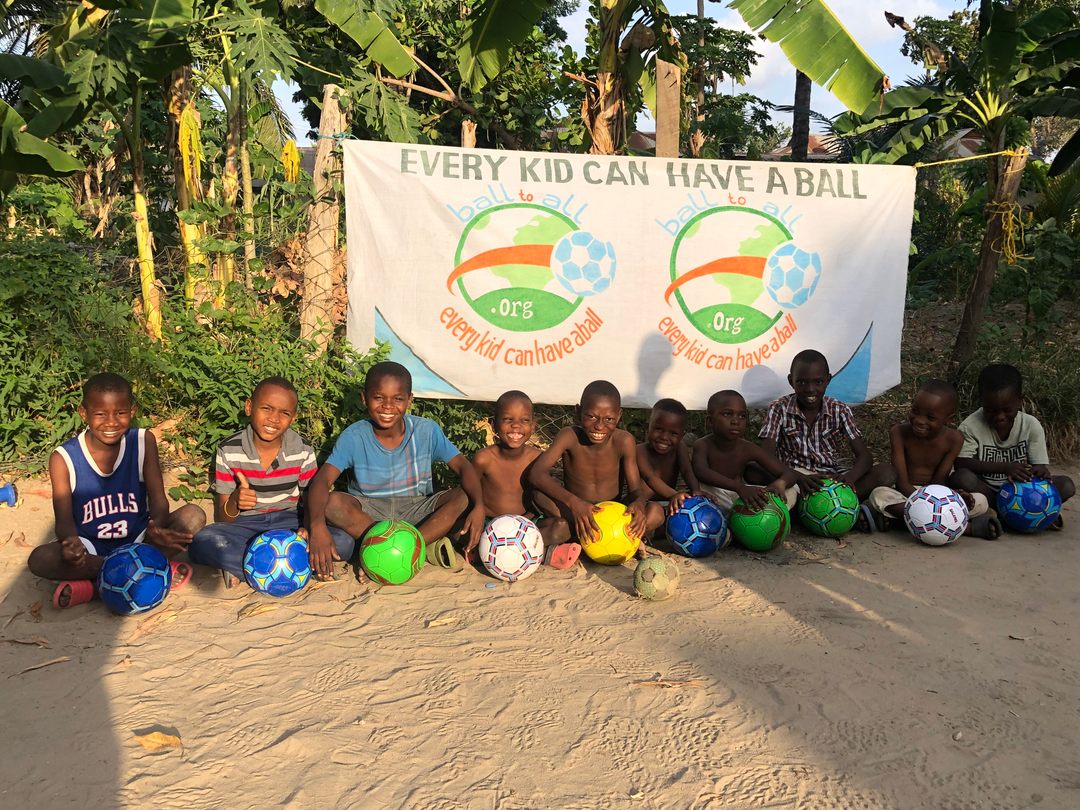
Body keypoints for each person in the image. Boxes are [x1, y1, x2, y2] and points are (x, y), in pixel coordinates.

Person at [28, 373, 206, 608]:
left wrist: (158, 526)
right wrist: (71, 544)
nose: (111, 422)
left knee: (193, 515)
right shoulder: (64, 458)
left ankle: (95, 587)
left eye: (120, 413)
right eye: (100, 414)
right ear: (83, 413)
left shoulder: (143, 441)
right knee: (40, 559)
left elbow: (158, 499)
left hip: (140, 539)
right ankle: (147, 571)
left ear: (132, 411)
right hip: (91, 547)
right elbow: (63, 521)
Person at [305, 361, 486, 579]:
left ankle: (408, 548)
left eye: (398, 399)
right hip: (370, 513)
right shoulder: (354, 436)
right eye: (378, 398)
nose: (387, 406)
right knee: (332, 502)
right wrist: (317, 527)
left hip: (417, 508)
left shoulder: (426, 431)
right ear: (364, 398)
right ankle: (396, 549)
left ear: (409, 400)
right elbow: (322, 481)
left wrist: (479, 506)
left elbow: (464, 467)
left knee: (463, 496)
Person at [188, 377, 355, 587]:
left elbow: (310, 500)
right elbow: (224, 519)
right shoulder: (229, 449)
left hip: (290, 522)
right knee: (203, 542)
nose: (274, 419)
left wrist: (307, 528)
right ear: (249, 407)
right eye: (266, 408)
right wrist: (235, 501)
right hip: (246, 525)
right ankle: (296, 566)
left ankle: (252, 567)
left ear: (293, 418)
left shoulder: (302, 449)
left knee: (344, 542)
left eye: (284, 413)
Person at [757, 349, 894, 528]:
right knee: (752, 468)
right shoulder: (779, 408)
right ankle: (844, 510)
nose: (810, 389)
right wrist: (797, 477)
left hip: (831, 480)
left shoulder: (840, 410)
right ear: (791, 381)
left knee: (886, 473)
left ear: (828, 380)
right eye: (802, 382)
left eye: (818, 382)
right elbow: (766, 455)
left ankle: (813, 510)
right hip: (794, 478)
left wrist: (850, 478)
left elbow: (864, 456)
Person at [528, 380, 663, 550]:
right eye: (591, 416)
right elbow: (536, 474)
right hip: (576, 512)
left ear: (619, 416)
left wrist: (639, 504)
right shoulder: (569, 436)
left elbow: (636, 490)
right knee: (538, 495)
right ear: (578, 412)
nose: (599, 426)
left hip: (613, 514)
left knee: (656, 512)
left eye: (609, 419)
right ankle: (615, 538)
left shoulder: (624, 441)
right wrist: (574, 503)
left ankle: (587, 536)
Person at [867, 380, 1000, 538]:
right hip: (906, 493)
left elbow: (940, 481)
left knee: (980, 501)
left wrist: (953, 498)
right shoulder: (898, 432)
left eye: (930, 417)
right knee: (879, 495)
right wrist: (926, 504)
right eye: (915, 411)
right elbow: (902, 482)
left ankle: (901, 522)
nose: (919, 420)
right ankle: (966, 528)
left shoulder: (954, 439)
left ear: (948, 419)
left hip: (938, 495)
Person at [951, 364, 1075, 524]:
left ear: (1020, 402)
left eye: (1006, 410)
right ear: (981, 401)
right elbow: (961, 463)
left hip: (1023, 491)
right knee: (961, 478)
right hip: (988, 491)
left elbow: (1039, 466)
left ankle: (1009, 514)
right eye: (991, 411)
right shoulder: (970, 427)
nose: (1000, 416)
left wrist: (1040, 471)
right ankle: (1021, 515)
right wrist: (1005, 468)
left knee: (1066, 486)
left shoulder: (1031, 425)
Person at [471, 390, 580, 568]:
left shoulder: (537, 458)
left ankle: (492, 553)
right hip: (490, 524)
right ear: (494, 424)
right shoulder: (484, 458)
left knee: (562, 527)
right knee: (461, 528)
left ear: (533, 426)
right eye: (508, 419)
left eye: (524, 420)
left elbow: (539, 495)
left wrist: (529, 518)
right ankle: (545, 554)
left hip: (525, 525)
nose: (516, 426)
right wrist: (477, 512)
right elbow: (470, 491)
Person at [692, 390, 797, 511]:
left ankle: (765, 515)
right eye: (727, 414)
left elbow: (789, 473)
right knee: (703, 488)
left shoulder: (748, 448)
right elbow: (701, 472)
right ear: (710, 421)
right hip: (716, 496)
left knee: (790, 490)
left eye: (742, 416)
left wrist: (780, 484)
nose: (736, 421)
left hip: (740, 496)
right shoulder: (702, 444)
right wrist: (739, 487)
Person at [636, 398, 702, 515]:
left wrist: (696, 491)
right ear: (648, 427)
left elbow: (687, 471)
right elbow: (650, 477)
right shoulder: (639, 451)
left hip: (670, 502)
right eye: (659, 429)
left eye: (673, 433)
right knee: (655, 514)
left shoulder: (680, 448)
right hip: (643, 504)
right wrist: (674, 494)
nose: (664, 437)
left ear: (682, 435)